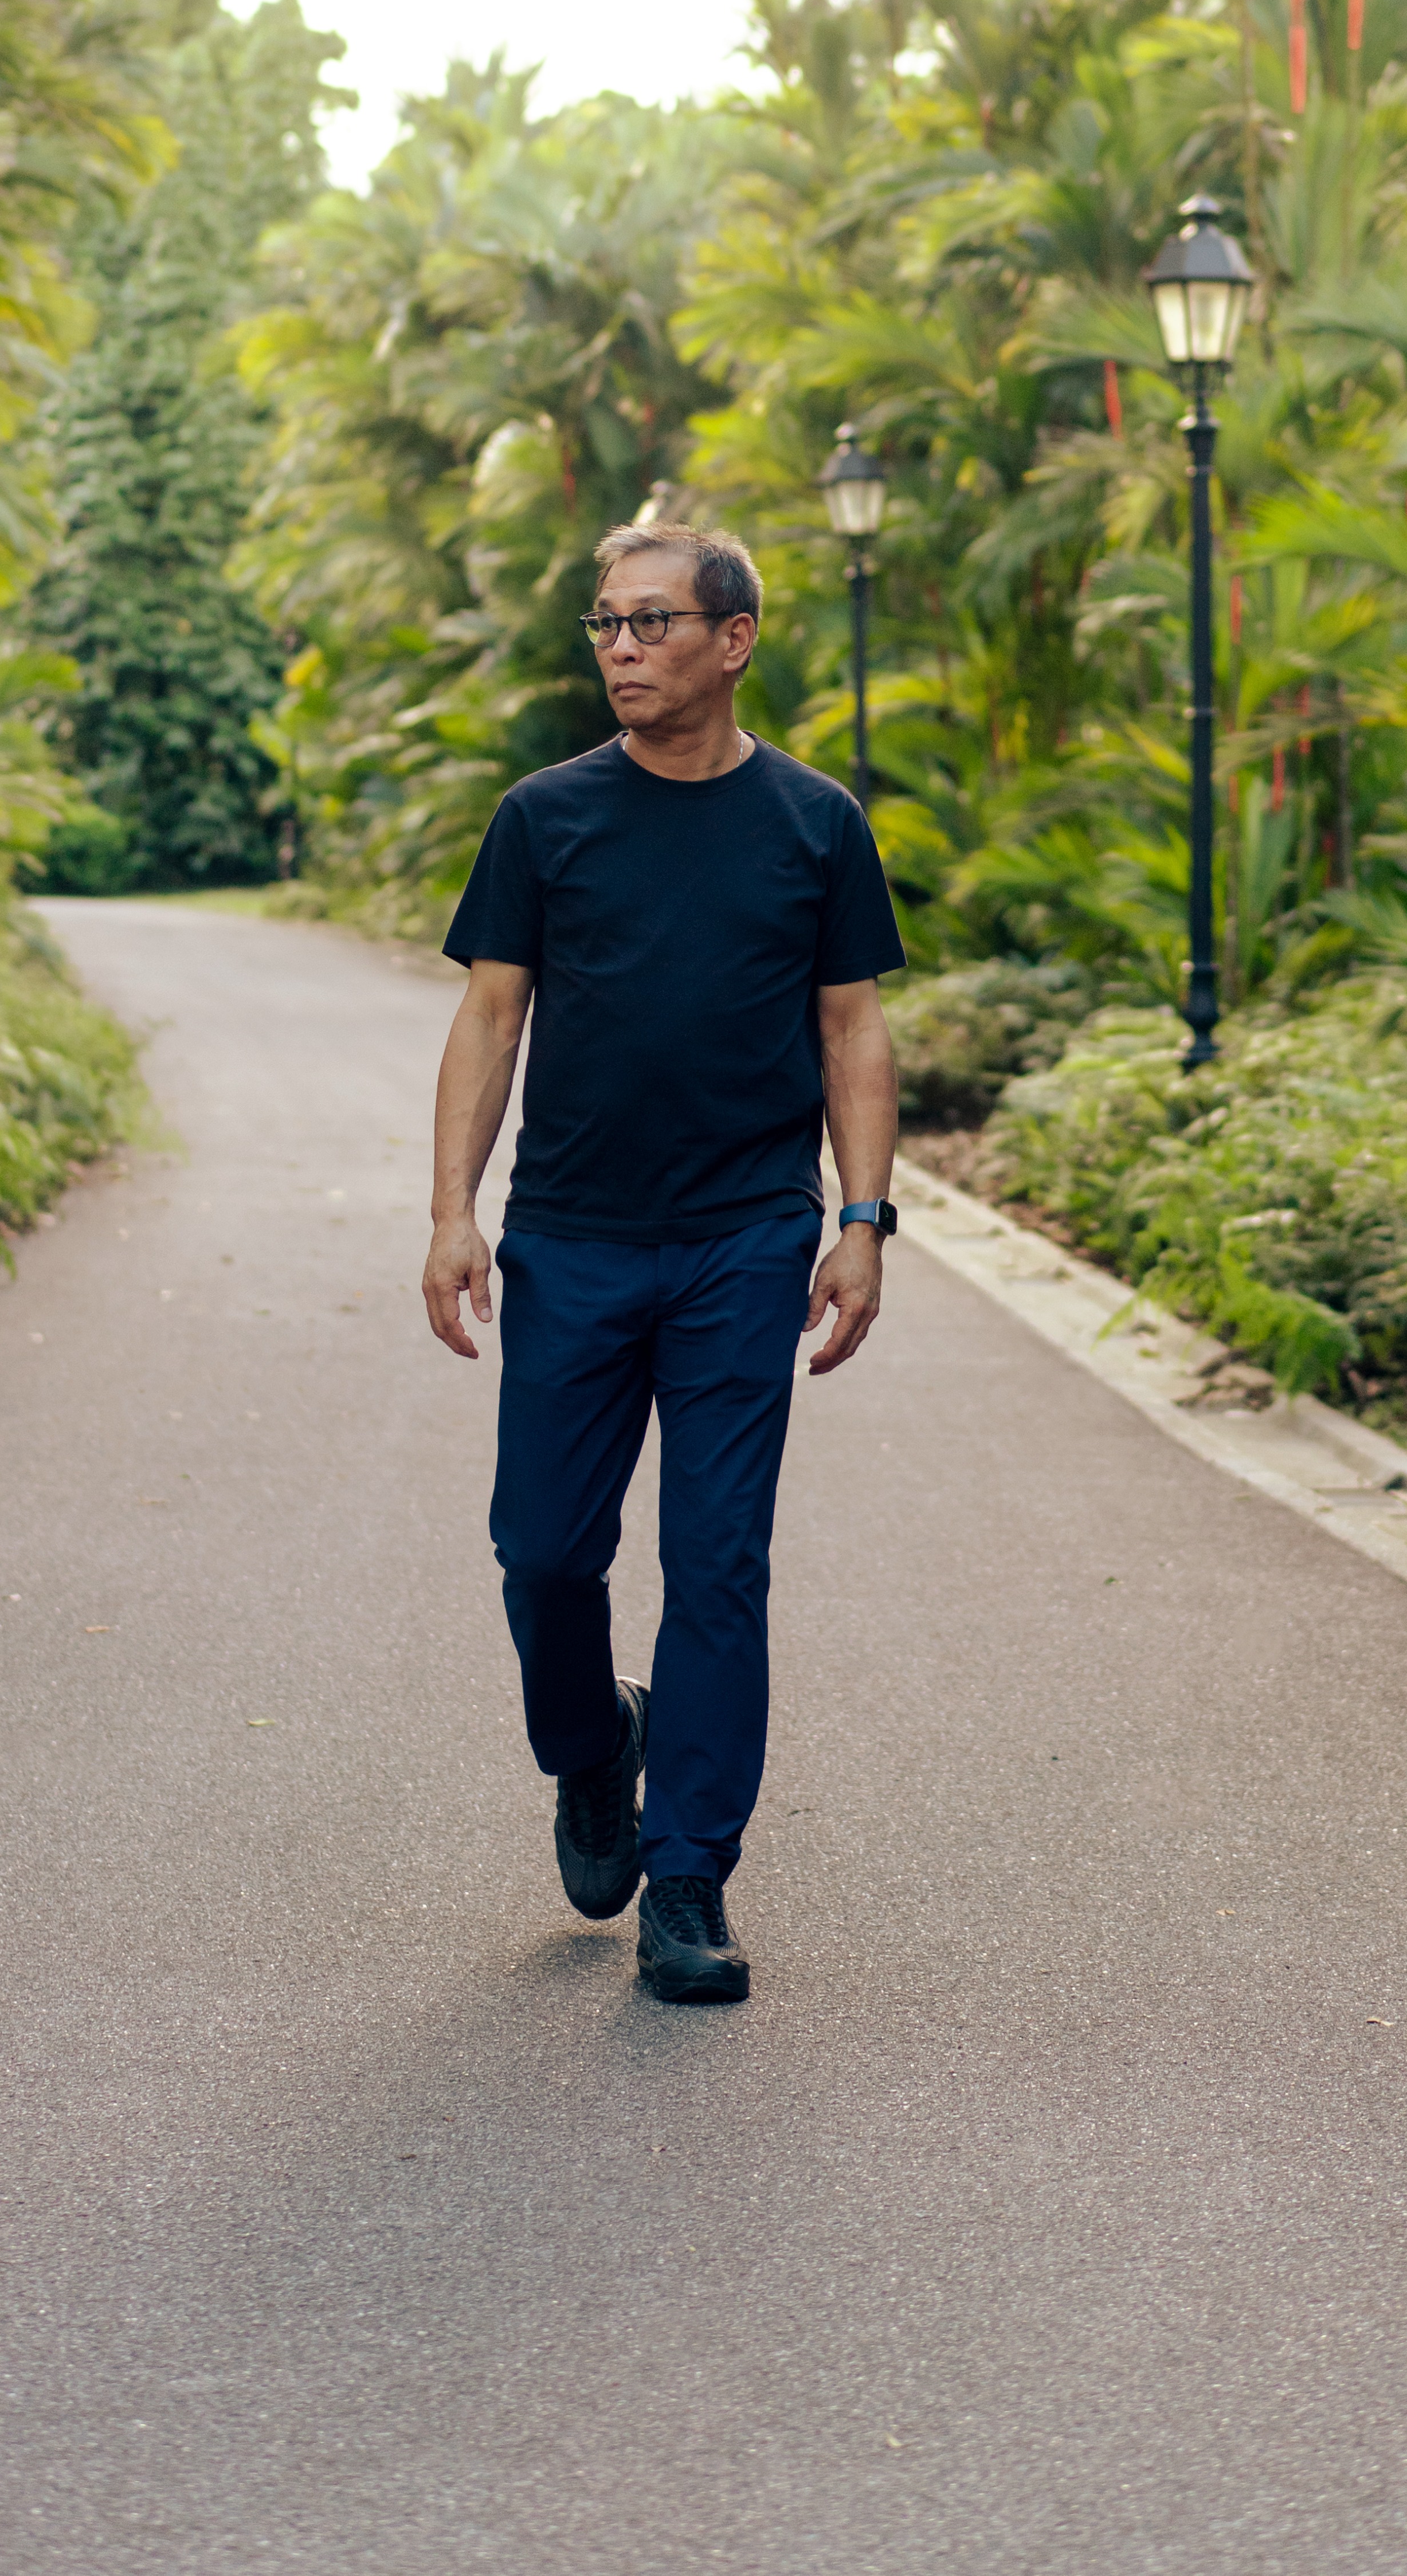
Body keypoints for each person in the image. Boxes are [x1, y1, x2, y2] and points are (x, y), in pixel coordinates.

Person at [420, 520, 904, 2007]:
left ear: (734, 639)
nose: (622, 649)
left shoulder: (814, 824)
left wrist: (862, 1222)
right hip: (570, 1238)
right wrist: (454, 1211)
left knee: (719, 1564)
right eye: (606, 626)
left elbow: (851, 1030)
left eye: (651, 623)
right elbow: (494, 1019)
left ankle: (688, 1878)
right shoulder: (544, 819)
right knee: (548, 1552)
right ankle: (591, 1753)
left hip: (743, 1244)